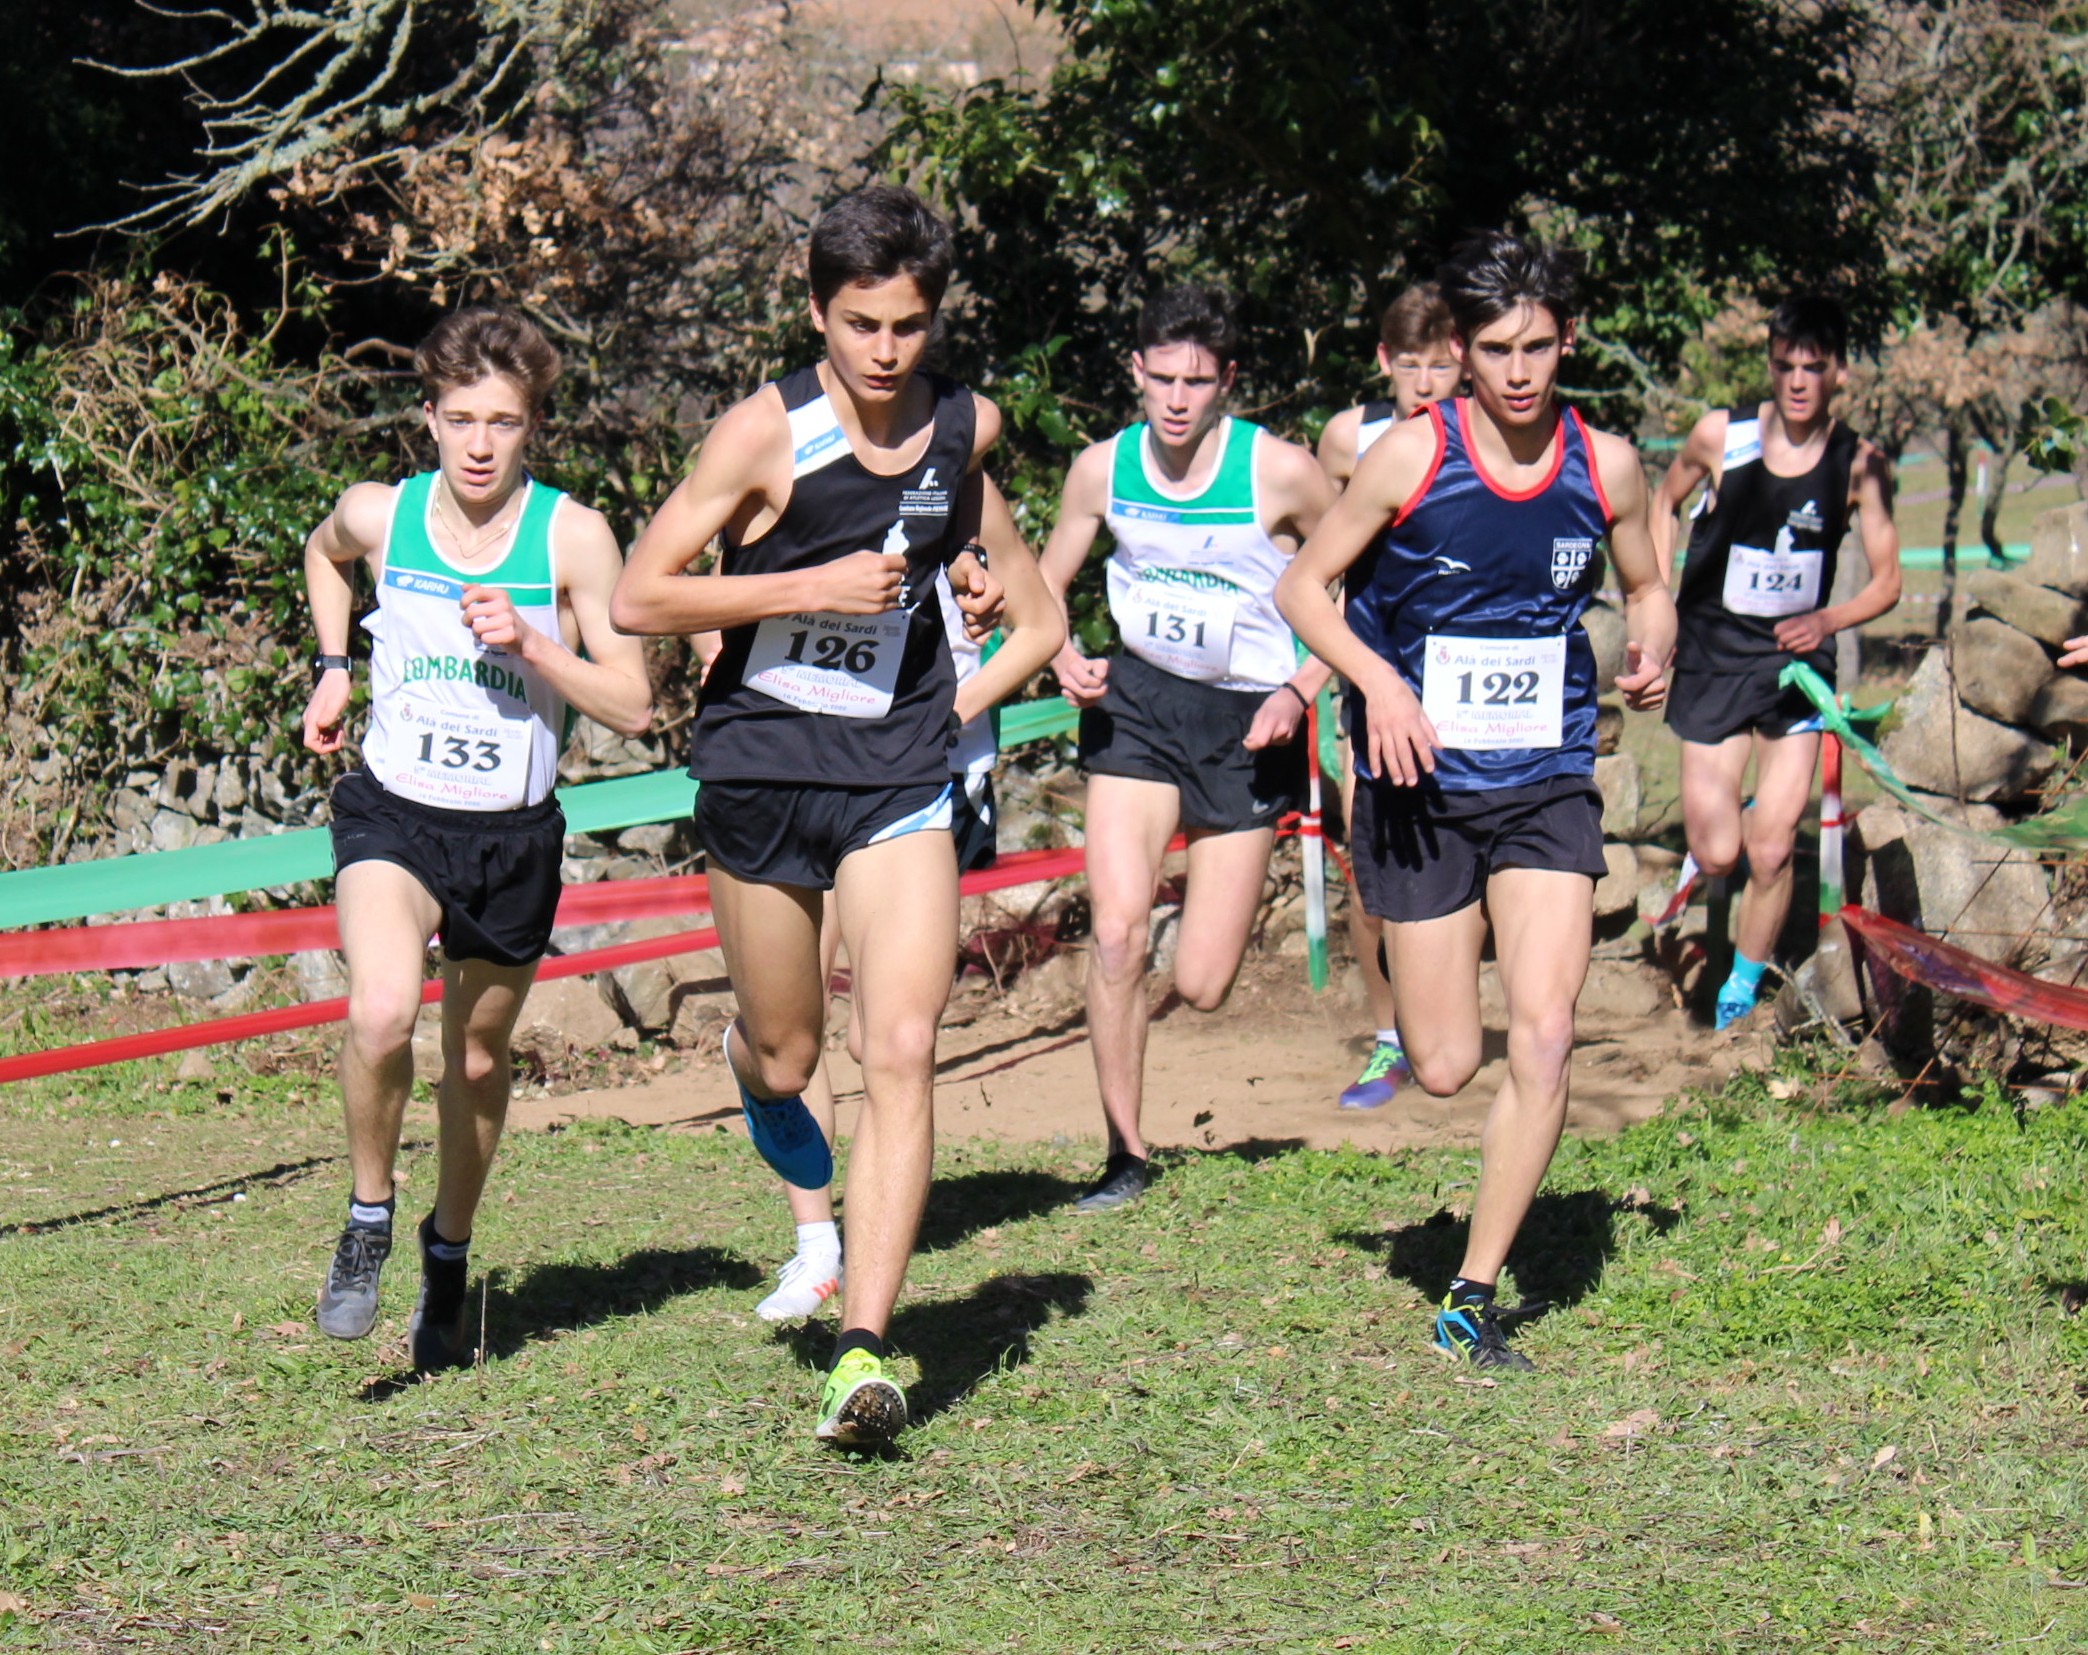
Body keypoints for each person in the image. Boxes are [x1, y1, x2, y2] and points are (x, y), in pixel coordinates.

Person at [611, 184, 1062, 1444]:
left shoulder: (964, 431)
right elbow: (640, 597)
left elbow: (1036, 614)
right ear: (818, 312)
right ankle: (750, 1065)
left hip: (897, 775)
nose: (885, 350)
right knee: (790, 1054)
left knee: (902, 1044)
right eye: (862, 323)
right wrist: (806, 584)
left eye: (909, 325)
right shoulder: (765, 433)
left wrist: (955, 664)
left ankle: (864, 1347)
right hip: (761, 772)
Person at [1276, 231, 1676, 1369]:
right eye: (1496, 349)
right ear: (1459, 348)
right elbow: (1302, 587)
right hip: (1421, 785)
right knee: (1448, 1060)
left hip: (1547, 777)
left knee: (1545, 1032)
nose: (1518, 371)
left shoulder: (1607, 465)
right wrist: (1379, 682)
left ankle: (1473, 1291)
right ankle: (1427, 1048)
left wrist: (1651, 644)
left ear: (1567, 340)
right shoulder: (1411, 455)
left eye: (1537, 346)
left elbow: (1648, 583)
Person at [302, 307, 654, 1371]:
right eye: (461, 419)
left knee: (477, 1054)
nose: (480, 445)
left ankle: (446, 1252)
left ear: (532, 425)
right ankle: (368, 1216)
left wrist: (536, 645)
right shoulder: (381, 512)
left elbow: (634, 704)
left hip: (510, 836)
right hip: (394, 813)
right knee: (379, 1012)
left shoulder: (573, 536)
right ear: (429, 417)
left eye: (503, 421)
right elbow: (323, 552)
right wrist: (334, 667)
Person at [1041, 285, 1333, 1213]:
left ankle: (1147, 1075)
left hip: (1249, 719)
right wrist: (1060, 653)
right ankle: (1123, 1154)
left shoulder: (1279, 472)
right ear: (1135, 370)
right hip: (1137, 703)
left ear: (1227, 381)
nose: (1176, 399)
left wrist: (1301, 687)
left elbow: (1357, 582)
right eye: (1161, 378)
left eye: (1197, 382)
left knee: (1203, 983)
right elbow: (1042, 582)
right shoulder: (1101, 469)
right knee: (1118, 933)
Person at [744, 479, 1053, 1326]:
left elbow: (1042, 626)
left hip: (922, 780)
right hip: (812, 768)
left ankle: (847, 1259)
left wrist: (950, 710)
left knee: (888, 1036)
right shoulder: (807, 470)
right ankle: (817, 1244)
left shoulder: (964, 492)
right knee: (794, 1027)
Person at [1650, 295, 1899, 1029]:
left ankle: (1740, 993)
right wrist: (1657, 604)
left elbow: (1888, 582)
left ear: (1839, 373)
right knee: (1719, 851)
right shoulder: (1719, 437)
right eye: (1784, 365)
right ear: (1769, 364)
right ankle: (1710, 854)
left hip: (1795, 669)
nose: (1796, 381)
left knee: (1771, 849)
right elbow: (1662, 505)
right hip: (1712, 659)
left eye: (1812, 368)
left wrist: (1827, 618)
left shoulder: (1861, 464)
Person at [1315, 282, 1461, 1110]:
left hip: (1468, 685)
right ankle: (1387, 1037)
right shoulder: (1350, 439)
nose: (1426, 384)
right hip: (1374, 684)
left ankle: (1447, 1019)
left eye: (1441, 366)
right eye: (1411, 365)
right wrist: (1318, 667)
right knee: (1372, 876)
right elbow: (1318, 558)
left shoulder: (1487, 436)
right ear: (1383, 362)